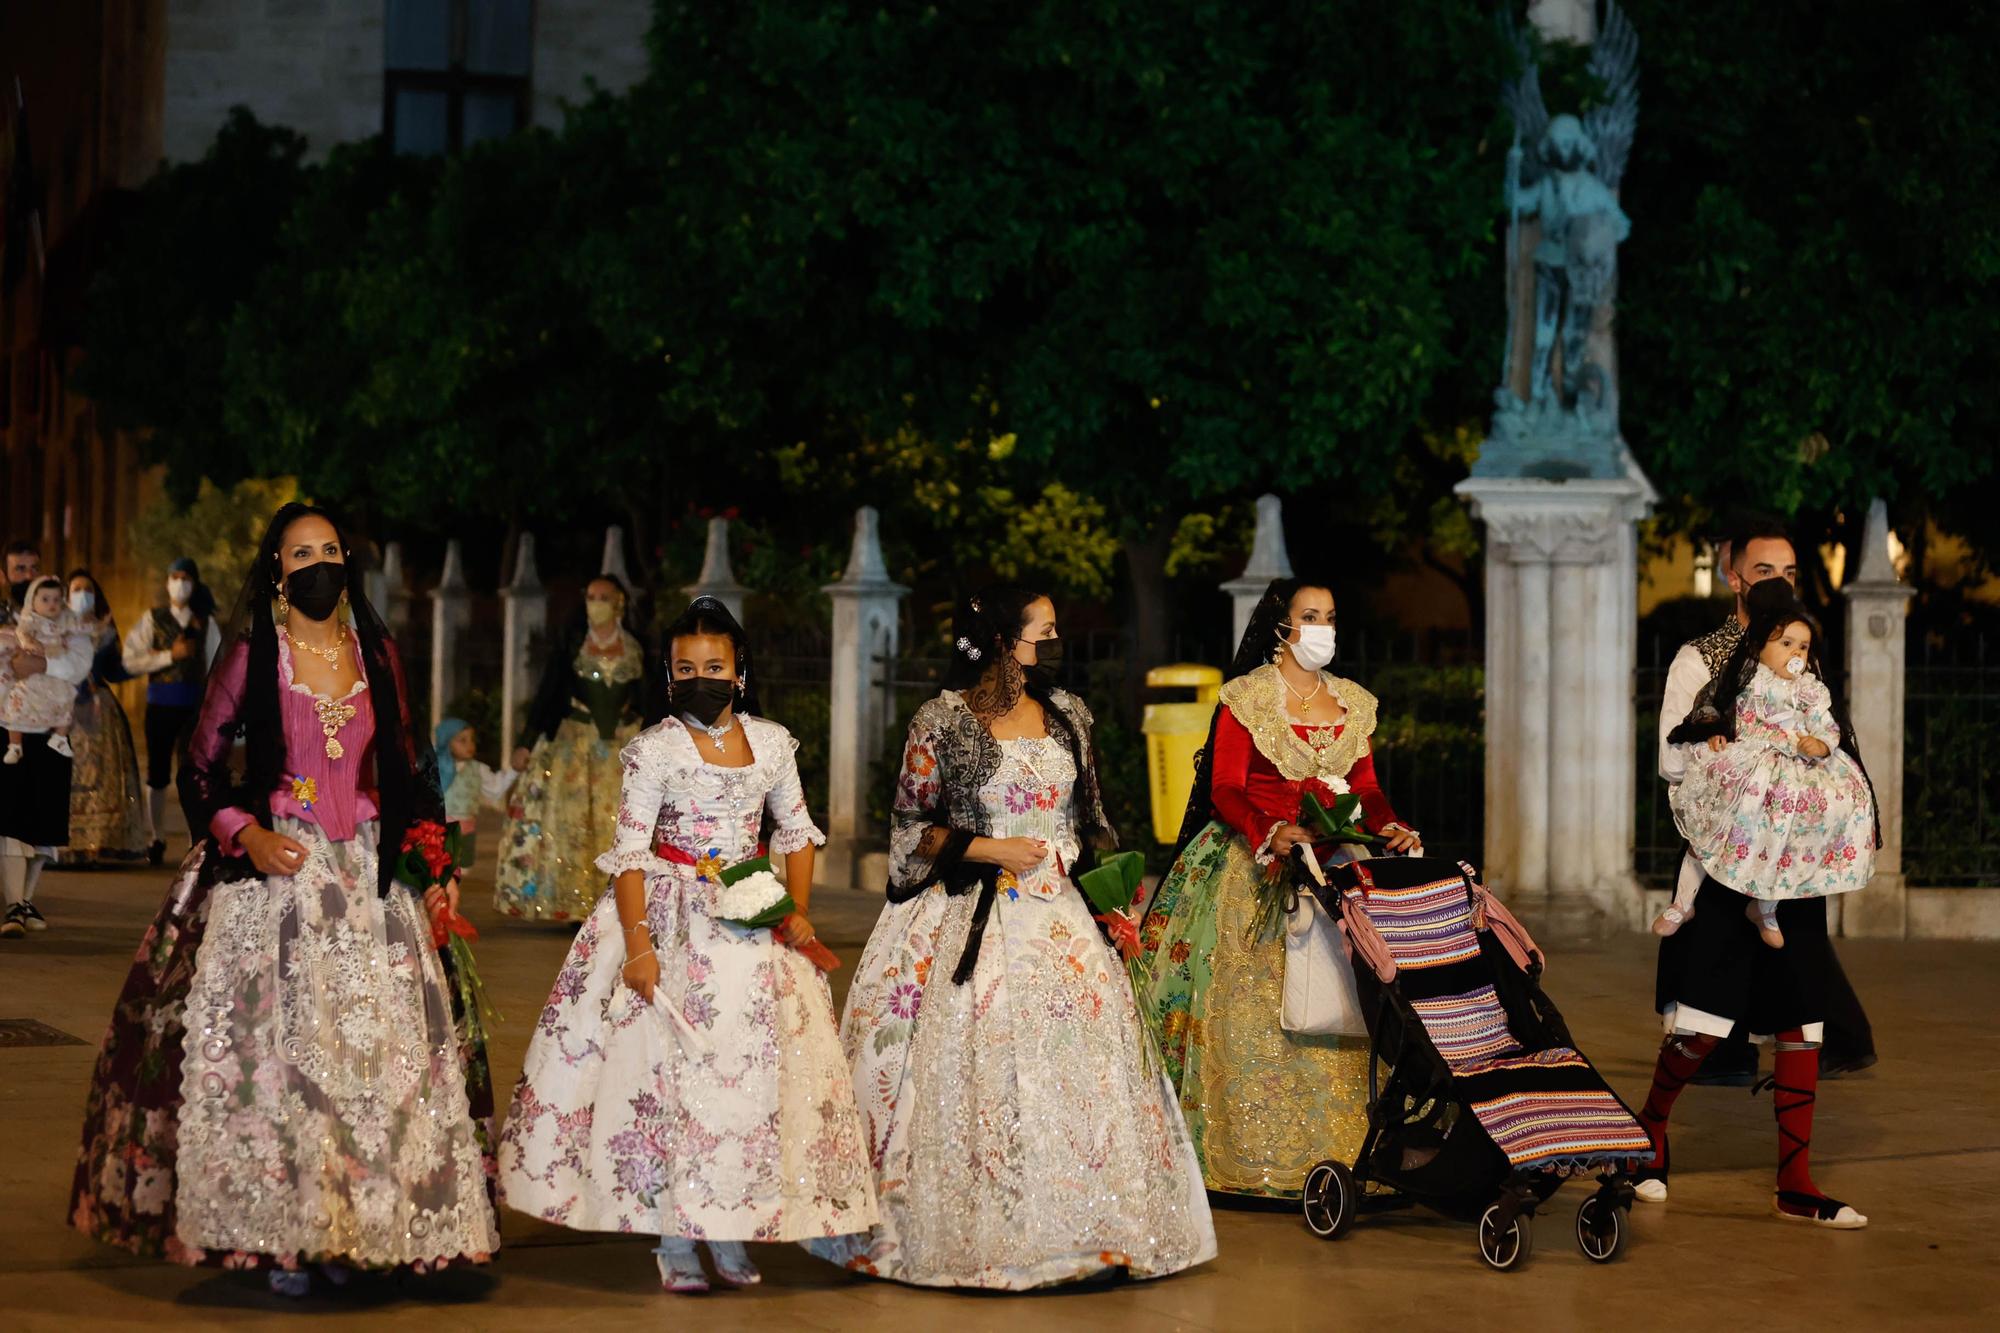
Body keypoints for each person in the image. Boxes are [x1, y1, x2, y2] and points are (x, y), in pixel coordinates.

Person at [69, 503, 501, 1295]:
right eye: (302, 553)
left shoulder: (377, 650)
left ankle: (375, 1226)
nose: (319, 564)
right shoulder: (252, 652)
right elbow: (200, 767)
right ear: (277, 569)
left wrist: (434, 858)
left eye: (331, 549)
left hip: (370, 881)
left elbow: (409, 763)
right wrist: (248, 834)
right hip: (281, 878)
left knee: (378, 1060)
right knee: (289, 1058)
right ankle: (292, 1233)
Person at [811, 585, 1215, 1290]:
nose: (1055, 641)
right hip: (973, 912)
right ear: (1002, 637)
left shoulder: (1069, 716)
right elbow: (909, 831)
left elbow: (1093, 818)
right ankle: (986, 1232)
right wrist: (989, 850)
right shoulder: (944, 719)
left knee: (1083, 1066)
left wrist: (1112, 896)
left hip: (1062, 921)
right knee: (986, 1058)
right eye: (1045, 629)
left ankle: (1098, 1232)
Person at [500, 597, 876, 1293]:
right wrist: (639, 947)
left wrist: (795, 910)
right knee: (674, 1077)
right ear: (670, 676)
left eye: (715, 664)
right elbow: (631, 854)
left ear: (739, 670)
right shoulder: (655, 748)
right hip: (673, 916)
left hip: (750, 911)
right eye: (686, 666)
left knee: (749, 1082)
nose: (701, 675)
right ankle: (675, 1235)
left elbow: (795, 831)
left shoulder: (772, 742)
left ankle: (730, 1227)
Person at [1135, 577, 1422, 1198]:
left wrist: (1390, 824)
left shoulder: (1351, 702)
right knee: (1252, 1005)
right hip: (1254, 859)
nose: (1324, 628)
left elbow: (1366, 789)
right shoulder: (1247, 697)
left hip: (1334, 865)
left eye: (1331, 616)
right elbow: (1225, 787)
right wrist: (1272, 829)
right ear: (1282, 626)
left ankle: (1350, 1148)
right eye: (1311, 616)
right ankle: (1250, 1150)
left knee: (1351, 995)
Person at [1634, 520, 1872, 1227]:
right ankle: (1650, 1133)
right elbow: (1674, 762)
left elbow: (1827, 743)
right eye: (1764, 568)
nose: (1779, 582)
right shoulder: (1697, 658)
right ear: (1733, 576)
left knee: (1802, 1017)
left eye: (1791, 571)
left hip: (1789, 868)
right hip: (1724, 862)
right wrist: (1746, 765)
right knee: (1704, 1019)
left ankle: (1795, 1180)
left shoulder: (1801, 659)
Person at [1658, 585, 1876, 949]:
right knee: (1711, 829)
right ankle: (1683, 902)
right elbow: (1718, 708)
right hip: (1750, 762)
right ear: (1760, 646)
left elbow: (1826, 722)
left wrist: (1820, 743)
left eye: (1802, 647)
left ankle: (1766, 907)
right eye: (1786, 643)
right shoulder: (1747, 678)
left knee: (1792, 834)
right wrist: (1715, 733)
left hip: (1793, 765)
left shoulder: (1811, 690)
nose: (1795, 654)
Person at [494, 574, 653, 921]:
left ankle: (616, 900)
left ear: (619, 604)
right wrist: (525, 744)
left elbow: (649, 699)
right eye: (591, 597)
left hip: (621, 747)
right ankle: (575, 901)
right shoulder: (572, 644)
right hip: (574, 746)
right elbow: (547, 696)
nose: (596, 604)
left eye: (604, 598)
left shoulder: (637, 646)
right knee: (570, 822)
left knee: (619, 820)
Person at [0, 558, 92, 939]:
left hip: (53, 732)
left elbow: (77, 666)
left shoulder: (73, 631)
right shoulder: (15, 627)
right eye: (19, 569)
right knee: (10, 817)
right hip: (13, 727)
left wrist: (39, 665)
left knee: (45, 818)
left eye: (33, 569)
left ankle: (26, 897)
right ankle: (12, 902)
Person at [122, 557, 222, 866]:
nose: (180, 584)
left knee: (192, 772)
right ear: (167, 583)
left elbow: (217, 662)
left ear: (195, 583)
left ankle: (195, 838)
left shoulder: (206, 621)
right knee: (158, 773)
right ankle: (157, 837)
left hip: (194, 708)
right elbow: (130, 660)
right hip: (160, 704)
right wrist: (167, 655)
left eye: (186, 578)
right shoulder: (153, 619)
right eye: (175, 577)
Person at [57, 570, 150, 866]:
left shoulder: (106, 630)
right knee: (66, 773)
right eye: (76, 589)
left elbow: (115, 671)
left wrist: (142, 661)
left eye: (88, 590)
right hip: (64, 708)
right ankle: (64, 843)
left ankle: (100, 842)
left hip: (100, 709)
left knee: (103, 775)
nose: (82, 594)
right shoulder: (55, 628)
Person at [3, 575, 79, 762]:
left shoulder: (63, 623)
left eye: (56, 600)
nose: (51, 604)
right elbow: (22, 632)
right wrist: (28, 641)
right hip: (32, 675)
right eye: (45, 599)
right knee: (17, 701)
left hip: (54, 674)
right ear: (33, 601)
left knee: (68, 699)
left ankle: (59, 738)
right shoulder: (32, 621)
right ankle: (15, 745)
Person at [433, 717, 521, 870]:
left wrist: (513, 770)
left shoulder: (478, 769)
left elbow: (495, 788)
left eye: (472, 740)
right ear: (447, 742)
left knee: (461, 870)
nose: (470, 745)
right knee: (437, 870)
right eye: (462, 740)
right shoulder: (434, 767)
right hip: (438, 832)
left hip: (465, 831)